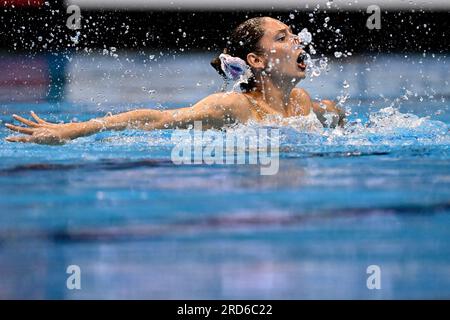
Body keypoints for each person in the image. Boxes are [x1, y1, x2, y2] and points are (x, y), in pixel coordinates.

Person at [5, 16, 345, 145]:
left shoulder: (301, 102)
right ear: (255, 61)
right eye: (283, 38)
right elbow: (156, 118)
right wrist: (71, 130)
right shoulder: (234, 106)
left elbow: (328, 113)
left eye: (292, 35)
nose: (299, 41)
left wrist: (335, 115)